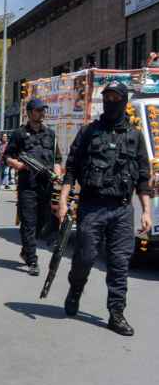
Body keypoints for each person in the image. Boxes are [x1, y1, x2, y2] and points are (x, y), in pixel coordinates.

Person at [60, 81, 152, 336]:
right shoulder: (89, 132)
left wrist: (145, 211)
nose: (111, 101)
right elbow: (71, 168)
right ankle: (75, 289)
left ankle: (116, 313)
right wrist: (63, 201)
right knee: (85, 257)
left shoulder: (135, 137)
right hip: (92, 206)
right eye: (107, 97)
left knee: (119, 263)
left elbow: (143, 177)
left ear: (123, 101)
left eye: (115, 97)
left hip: (122, 210)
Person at [4, 99, 62, 276]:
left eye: (43, 110)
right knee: (28, 222)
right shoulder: (19, 134)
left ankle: (25, 250)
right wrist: (21, 166)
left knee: (41, 223)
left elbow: (57, 159)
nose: (41, 113)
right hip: (27, 185)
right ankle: (32, 260)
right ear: (29, 113)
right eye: (38, 110)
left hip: (46, 185)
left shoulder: (50, 134)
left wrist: (58, 174)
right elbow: (7, 157)